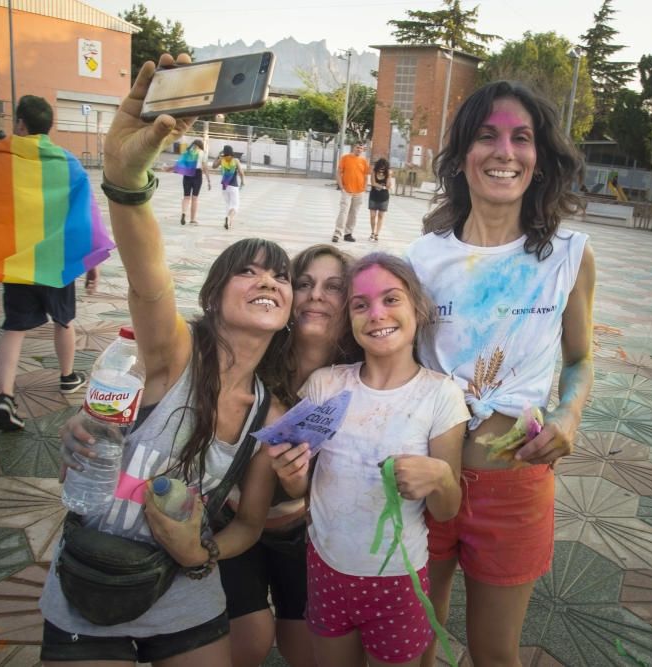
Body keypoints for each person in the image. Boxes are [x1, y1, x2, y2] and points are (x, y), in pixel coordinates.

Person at [43, 53, 289, 666]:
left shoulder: (271, 410)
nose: (268, 280)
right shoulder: (174, 351)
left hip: (183, 595)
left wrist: (198, 555)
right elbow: (148, 275)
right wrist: (127, 187)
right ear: (213, 294)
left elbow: (249, 526)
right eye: (248, 271)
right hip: (90, 579)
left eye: (281, 277)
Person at [406, 80, 595, 666]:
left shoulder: (568, 255)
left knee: (494, 653)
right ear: (463, 156)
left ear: (540, 161)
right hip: (426, 477)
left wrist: (568, 414)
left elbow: (581, 359)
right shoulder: (423, 258)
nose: (504, 152)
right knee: (419, 642)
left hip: (514, 487)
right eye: (486, 136)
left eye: (522, 138)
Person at [272, 252, 468, 667]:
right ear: (349, 318)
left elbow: (447, 509)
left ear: (418, 307)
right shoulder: (325, 385)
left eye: (391, 299)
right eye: (361, 305)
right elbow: (303, 486)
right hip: (326, 570)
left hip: (398, 580)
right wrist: (292, 477)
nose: (376, 313)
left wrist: (441, 479)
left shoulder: (442, 395)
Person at [222, 243, 359, 667]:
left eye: (333, 287)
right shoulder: (255, 355)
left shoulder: (362, 380)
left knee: (306, 652)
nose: (316, 295)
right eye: (304, 283)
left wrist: (299, 483)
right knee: (249, 641)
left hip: (305, 538)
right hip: (229, 521)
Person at [0, 96, 89, 431]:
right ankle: (68, 376)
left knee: (14, 327)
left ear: (22, 124)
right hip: (56, 262)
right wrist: (88, 257)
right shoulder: (67, 161)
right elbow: (82, 214)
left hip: (19, 261)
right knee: (64, 321)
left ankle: (5, 395)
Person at [331, 142, 369, 243]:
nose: (359, 150)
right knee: (343, 211)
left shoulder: (364, 161)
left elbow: (365, 176)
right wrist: (341, 186)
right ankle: (337, 233)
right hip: (347, 190)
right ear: (353, 148)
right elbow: (339, 172)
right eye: (357, 147)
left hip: (359, 192)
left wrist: (364, 189)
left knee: (354, 213)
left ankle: (348, 234)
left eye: (361, 148)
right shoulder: (345, 158)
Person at [173, 138, 211, 226]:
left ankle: (183, 213)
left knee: (186, 197)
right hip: (197, 174)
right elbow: (205, 167)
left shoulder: (187, 152)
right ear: (201, 146)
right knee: (195, 198)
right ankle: (192, 219)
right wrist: (208, 180)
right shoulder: (202, 153)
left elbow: (181, 164)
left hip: (187, 175)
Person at [213, 145, 245, 230]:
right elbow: (241, 172)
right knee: (235, 205)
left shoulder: (221, 160)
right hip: (234, 186)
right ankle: (229, 219)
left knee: (228, 204)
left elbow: (213, 166)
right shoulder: (235, 160)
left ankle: (228, 220)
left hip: (224, 186)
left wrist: (218, 156)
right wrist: (242, 181)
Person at [367, 157, 391, 241]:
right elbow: (373, 183)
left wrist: (389, 175)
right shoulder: (373, 172)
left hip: (384, 198)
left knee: (381, 216)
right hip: (373, 196)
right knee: (372, 216)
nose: (381, 170)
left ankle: (377, 234)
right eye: (380, 168)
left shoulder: (387, 174)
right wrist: (383, 186)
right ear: (378, 167)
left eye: (383, 169)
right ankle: (372, 232)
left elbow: (388, 186)